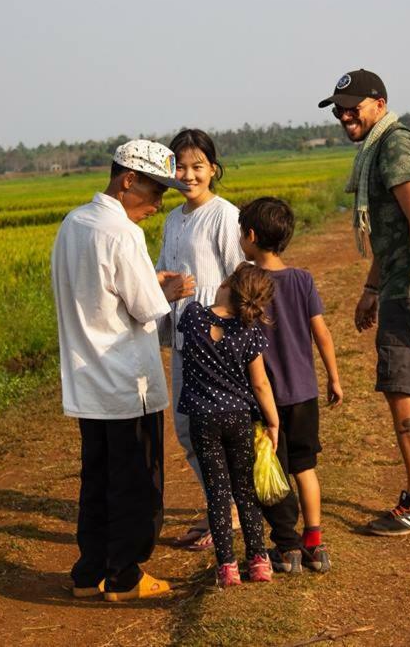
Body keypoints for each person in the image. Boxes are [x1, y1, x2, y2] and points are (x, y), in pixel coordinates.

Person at [317, 69, 410, 536]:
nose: (345, 115)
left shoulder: (395, 146)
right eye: (339, 109)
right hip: (407, 283)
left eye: (353, 106)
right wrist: (371, 288)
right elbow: (392, 232)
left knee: (403, 388)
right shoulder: (383, 145)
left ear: (379, 103)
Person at [51, 139, 194, 601]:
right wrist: (169, 291)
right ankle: (126, 577)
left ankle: (88, 573)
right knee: (136, 484)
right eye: (154, 191)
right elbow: (144, 307)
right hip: (127, 380)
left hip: (88, 379)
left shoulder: (74, 223)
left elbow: (96, 288)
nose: (158, 204)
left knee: (96, 480)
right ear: (127, 180)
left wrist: (147, 284)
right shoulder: (123, 233)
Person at [238, 197, 344, 573]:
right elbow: (322, 334)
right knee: (305, 468)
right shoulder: (302, 280)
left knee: (271, 471)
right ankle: (314, 539)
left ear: (250, 236)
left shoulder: (245, 281)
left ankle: (287, 545)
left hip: (266, 397)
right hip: (304, 393)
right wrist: (333, 376)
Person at [156, 129, 244, 551]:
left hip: (214, 346)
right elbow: (160, 275)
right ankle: (218, 509)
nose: (188, 176)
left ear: (213, 168)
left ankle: (226, 518)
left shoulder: (225, 215)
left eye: (197, 167)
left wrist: (229, 336)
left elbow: (241, 277)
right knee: (187, 430)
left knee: (212, 432)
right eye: (180, 167)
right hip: (182, 341)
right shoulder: (173, 219)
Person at [176, 262, 280, 587]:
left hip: (203, 419)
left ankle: (227, 568)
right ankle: (259, 560)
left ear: (226, 284)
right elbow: (261, 384)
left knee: (218, 495)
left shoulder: (193, 316)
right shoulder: (249, 332)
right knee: (245, 492)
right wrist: (273, 422)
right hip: (239, 418)